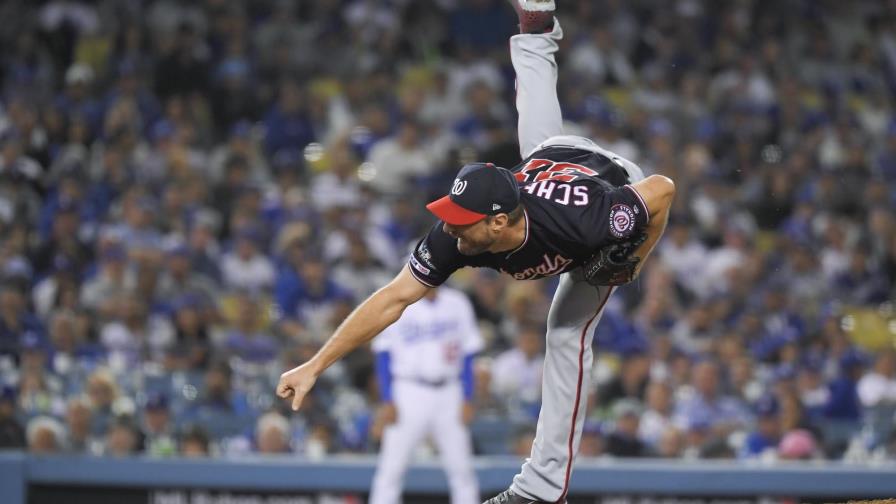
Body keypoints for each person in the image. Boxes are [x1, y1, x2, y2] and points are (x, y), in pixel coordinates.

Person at [276, 1, 675, 502]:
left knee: (565, 333)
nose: (450, 227)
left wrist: (633, 259)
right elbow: (393, 299)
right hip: (552, 159)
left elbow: (662, 189)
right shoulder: (460, 233)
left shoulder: (585, 220)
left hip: (609, 185)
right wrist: (314, 364)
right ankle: (535, 29)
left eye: (463, 220)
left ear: (498, 221)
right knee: (538, 143)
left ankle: (541, 489)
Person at [369, 286, 483, 504]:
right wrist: (387, 399)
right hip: (408, 391)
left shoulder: (458, 303)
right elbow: (383, 354)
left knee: (462, 469)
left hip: (450, 391)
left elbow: (469, 354)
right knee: (391, 468)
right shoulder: (398, 301)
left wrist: (468, 397)